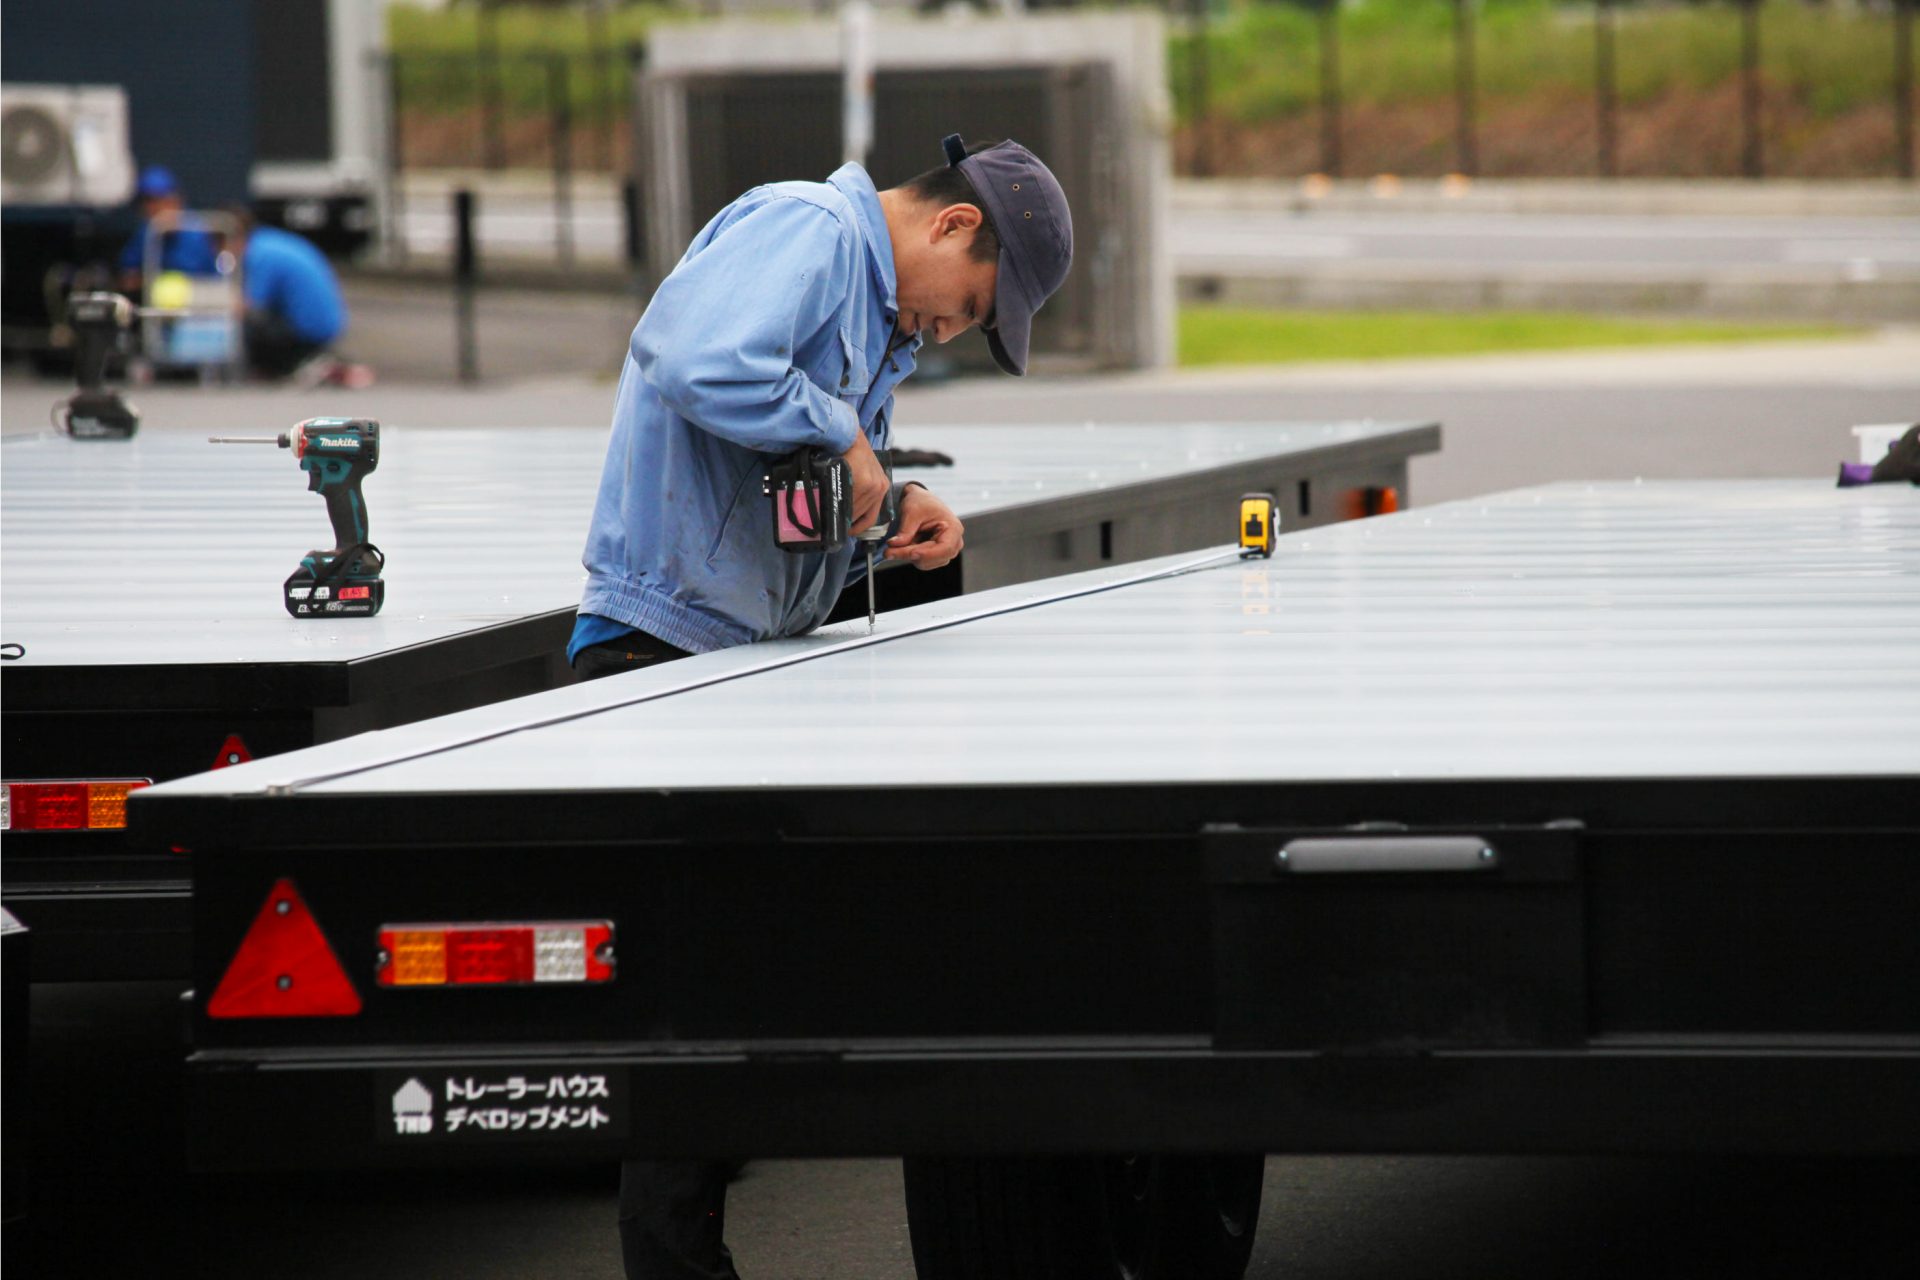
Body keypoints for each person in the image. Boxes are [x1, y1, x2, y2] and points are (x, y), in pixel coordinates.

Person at [568, 134, 1073, 1278]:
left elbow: (791, 483)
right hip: (662, 651)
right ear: (952, 226)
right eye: (968, 310)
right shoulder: (807, 227)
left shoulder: (873, 308)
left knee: (734, 990)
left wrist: (894, 504)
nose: (945, 333)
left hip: (739, 653)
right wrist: (844, 434)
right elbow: (693, 353)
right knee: (686, 1007)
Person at [226, 210, 356, 384]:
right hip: (328, 323)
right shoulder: (269, 241)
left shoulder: (259, 253)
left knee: (249, 325)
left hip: (309, 329)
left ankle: (284, 367)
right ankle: (312, 362)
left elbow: (249, 305)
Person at [117, 164, 219, 292]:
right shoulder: (145, 234)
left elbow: (212, 282)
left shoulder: (197, 232)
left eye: (159, 201)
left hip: (196, 305)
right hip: (155, 306)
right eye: (147, 202)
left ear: (176, 200)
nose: (153, 208)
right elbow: (128, 277)